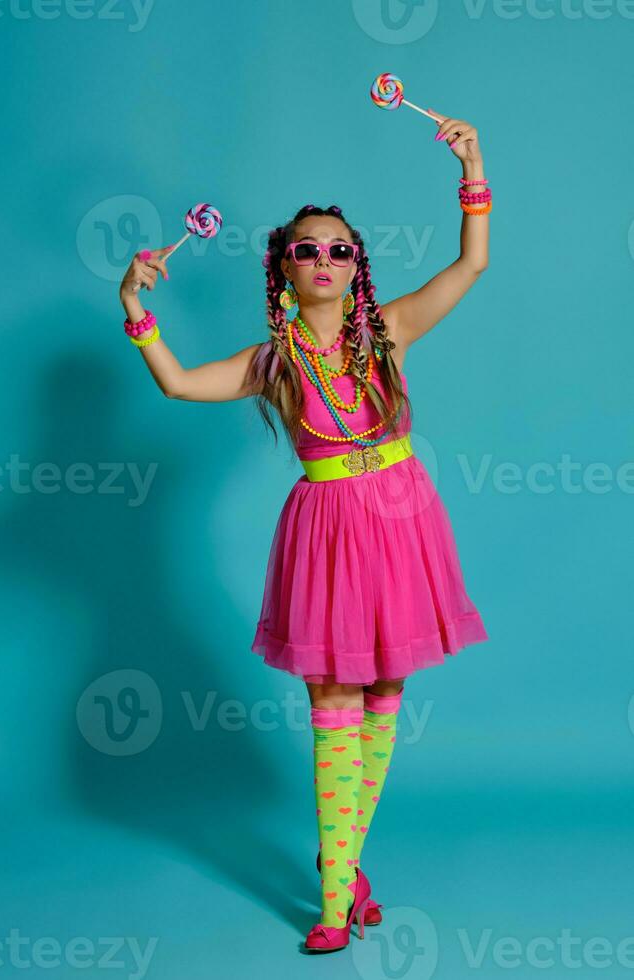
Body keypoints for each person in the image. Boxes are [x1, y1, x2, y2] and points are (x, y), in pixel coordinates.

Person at [118, 110, 491, 955]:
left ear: (357, 268)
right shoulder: (271, 360)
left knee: (386, 695)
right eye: (306, 248)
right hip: (325, 530)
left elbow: (472, 263)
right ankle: (333, 903)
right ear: (283, 266)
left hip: (401, 517)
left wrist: (471, 166)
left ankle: (346, 860)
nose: (323, 258)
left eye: (339, 249)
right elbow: (175, 384)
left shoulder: (387, 333)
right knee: (333, 698)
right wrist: (135, 303)